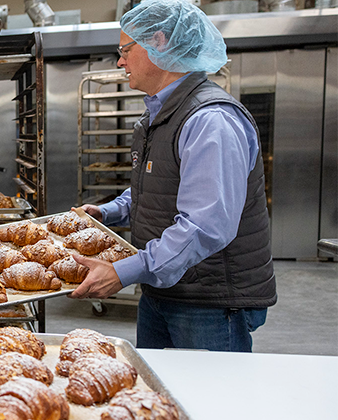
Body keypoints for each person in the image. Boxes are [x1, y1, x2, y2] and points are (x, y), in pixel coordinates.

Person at [70, 0, 275, 352]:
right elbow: (155, 187)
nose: (120, 62)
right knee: (159, 403)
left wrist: (124, 271)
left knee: (206, 403)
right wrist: (110, 212)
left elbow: (205, 225)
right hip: (162, 288)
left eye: (125, 50)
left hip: (209, 303)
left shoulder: (210, 121)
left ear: (160, 42)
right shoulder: (160, 115)